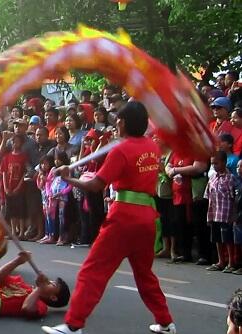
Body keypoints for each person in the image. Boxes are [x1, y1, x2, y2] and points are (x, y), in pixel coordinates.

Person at [43, 102, 175, 334]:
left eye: (118, 121)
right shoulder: (152, 148)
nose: (116, 125)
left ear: (123, 123)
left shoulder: (120, 150)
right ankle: (165, 322)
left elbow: (95, 185)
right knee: (145, 275)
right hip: (147, 217)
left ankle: (73, 325)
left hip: (124, 216)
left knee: (92, 272)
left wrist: (69, 178)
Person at [204, 151, 237, 273]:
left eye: (216, 163)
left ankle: (231, 262)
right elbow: (209, 197)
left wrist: (233, 216)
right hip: (215, 214)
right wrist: (209, 216)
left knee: (228, 240)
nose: (214, 166)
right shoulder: (212, 178)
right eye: (212, 164)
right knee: (217, 239)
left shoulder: (230, 178)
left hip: (226, 214)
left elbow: (234, 198)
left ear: (224, 162)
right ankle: (220, 261)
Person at [1, 134, 28, 240]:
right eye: (13, 141)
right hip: (9, 187)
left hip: (20, 188)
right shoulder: (7, 157)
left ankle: (21, 232)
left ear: (21, 143)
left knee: (20, 210)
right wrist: (6, 187)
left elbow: (24, 173)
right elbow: (4, 172)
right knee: (11, 211)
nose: (14, 143)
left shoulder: (24, 156)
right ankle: (13, 231)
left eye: (17, 141)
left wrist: (18, 187)